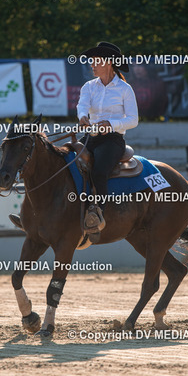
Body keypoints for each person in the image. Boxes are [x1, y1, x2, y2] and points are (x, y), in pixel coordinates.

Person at [77, 41, 139, 234]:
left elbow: (133, 120)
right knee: (65, 160)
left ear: (109, 62)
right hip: (90, 137)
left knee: (99, 171)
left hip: (113, 140)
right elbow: (82, 105)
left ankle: (97, 214)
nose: (92, 65)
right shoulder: (88, 86)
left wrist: (111, 124)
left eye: (96, 61)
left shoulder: (125, 89)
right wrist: (82, 117)